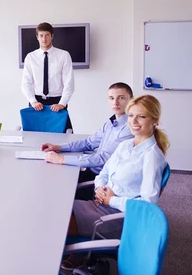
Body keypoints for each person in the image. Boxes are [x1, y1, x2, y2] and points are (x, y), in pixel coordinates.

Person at [61, 94, 169, 270]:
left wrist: (111, 200)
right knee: (55, 210)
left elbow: (148, 206)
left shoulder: (152, 157)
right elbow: (103, 172)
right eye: (131, 115)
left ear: (155, 120)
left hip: (118, 217)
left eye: (142, 116)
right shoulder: (126, 145)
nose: (134, 121)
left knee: (56, 225)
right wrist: (99, 188)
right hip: (100, 205)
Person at [42, 83, 134, 194]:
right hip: (93, 170)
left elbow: (102, 158)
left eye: (121, 98)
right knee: (50, 177)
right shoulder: (111, 122)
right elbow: (89, 143)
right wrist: (59, 147)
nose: (115, 102)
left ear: (131, 100)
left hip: (103, 182)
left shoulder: (129, 128)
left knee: (56, 187)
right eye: (111, 98)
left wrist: (62, 159)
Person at [21, 22, 74, 129]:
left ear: (52, 36)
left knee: (63, 137)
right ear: (37, 37)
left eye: (47, 35)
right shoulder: (30, 57)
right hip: (37, 103)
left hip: (57, 102)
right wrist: (33, 101)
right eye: (41, 35)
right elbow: (26, 82)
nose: (44, 39)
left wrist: (62, 103)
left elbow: (69, 82)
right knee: (35, 137)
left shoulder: (64, 55)